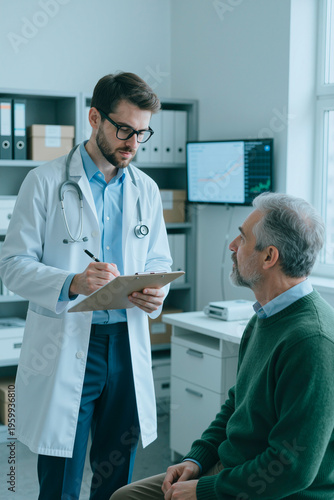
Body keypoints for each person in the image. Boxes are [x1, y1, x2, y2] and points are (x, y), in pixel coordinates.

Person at [0, 72, 172, 500]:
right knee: (61, 477)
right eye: (124, 129)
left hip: (126, 344)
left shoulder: (145, 189)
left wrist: (156, 291)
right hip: (69, 342)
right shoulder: (44, 182)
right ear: (94, 117)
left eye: (142, 132)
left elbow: (159, 259)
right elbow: (11, 266)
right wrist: (71, 282)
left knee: (119, 477)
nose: (133, 143)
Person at [110, 192, 334, 500]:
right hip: (232, 469)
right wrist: (196, 458)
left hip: (272, 490)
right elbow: (236, 405)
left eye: (242, 239)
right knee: (125, 497)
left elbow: (291, 467)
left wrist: (206, 490)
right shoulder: (264, 316)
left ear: (269, 257)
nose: (232, 246)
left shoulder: (313, 342)